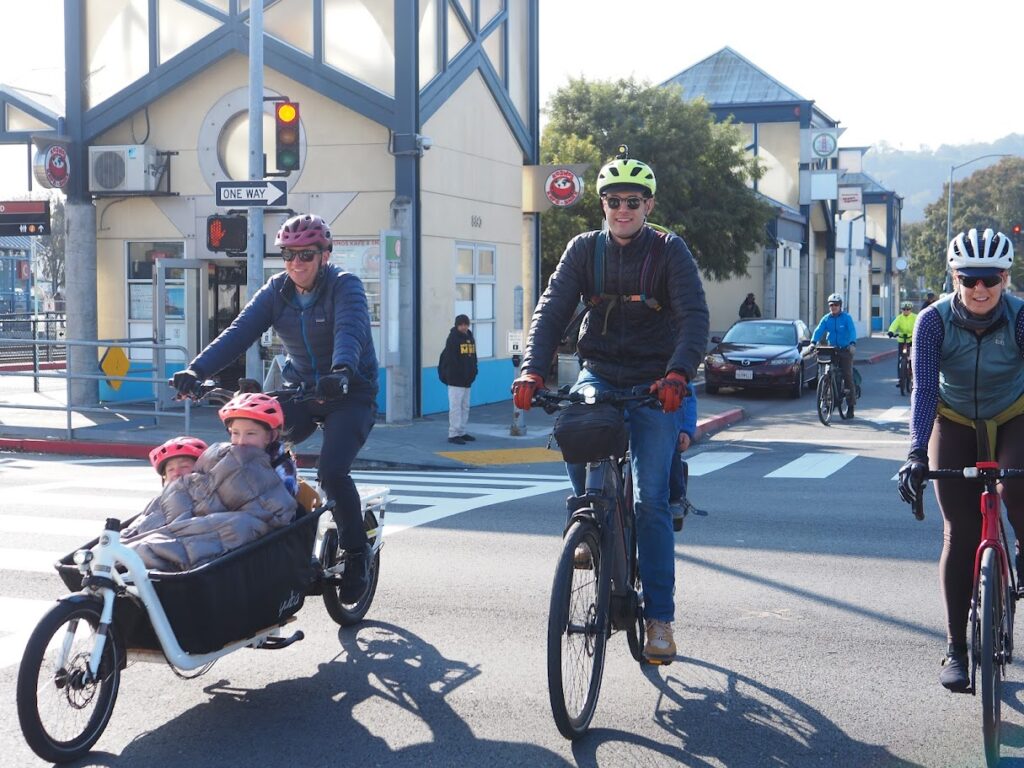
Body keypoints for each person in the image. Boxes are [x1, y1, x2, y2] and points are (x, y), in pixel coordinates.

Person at [511, 145, 710, 664]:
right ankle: (589, 521)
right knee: (575, 433)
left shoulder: (670, 251)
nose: (623, 209)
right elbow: (551, 309)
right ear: (601, 205)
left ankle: (660, 620)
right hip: (598, 370)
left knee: (648, 502)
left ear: (648, 206)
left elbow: (693, 320)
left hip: (654, 381)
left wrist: (678, 374)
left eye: (633, 201)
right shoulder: (583, 250)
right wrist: (533, 367)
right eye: (613, 200)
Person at [170, 213, 378, 602]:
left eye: (307, 255)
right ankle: (274, 538)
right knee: (254, 450)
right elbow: (239, 332)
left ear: (324, 254)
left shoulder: (344, 286)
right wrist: (195, 370)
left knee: (332, 472)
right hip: (303, 390)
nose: (297, 263)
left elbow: (350, 331)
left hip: (350, 391)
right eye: (289, 255)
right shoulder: (277, 290)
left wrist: (343, 370)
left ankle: (357, 553)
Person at [897, 227, 1024, 692]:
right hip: (953, 420)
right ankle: (956, 647)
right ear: (954, 276)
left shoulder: (1020, 317)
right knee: (960, 531)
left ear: (1005, 278)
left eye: (990, 278)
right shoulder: (932, 321)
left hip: (1014, 414)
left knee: (1018, 491)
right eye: (969, 278)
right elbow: (924, 390)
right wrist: (914, 453)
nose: (980, 289)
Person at [122, 392, 297, 571]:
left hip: (233, 521)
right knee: (158, 513)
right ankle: (128, 543)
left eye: (250, 433)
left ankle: (141, 552)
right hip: (196, 510)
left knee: (228, 528)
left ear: (270, 436)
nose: (241, 441)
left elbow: (271, 510)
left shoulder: (281, 468)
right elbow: (196, 483)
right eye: (235, 433)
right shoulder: (224, 452)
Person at [810, 293, 858, 417]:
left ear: (840, 306)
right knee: (828, 374)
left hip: (845, 350)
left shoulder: (846, 318)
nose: (833, 307)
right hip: (832, 349)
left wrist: (852, 344)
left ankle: (851, 406)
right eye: (831, 305)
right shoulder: (826, 318)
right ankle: (827, 403)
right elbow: (819, 329)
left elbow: (852, 330)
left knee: (847, 376)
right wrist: (813, 342)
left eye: (836, 305)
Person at [438, 314, 478, 445]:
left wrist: (474, 371)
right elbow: (451, 360)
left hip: (467, 380)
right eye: (461, 324)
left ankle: (461, 431)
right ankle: (453, 434)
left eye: (465, 324)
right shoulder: (452, 339)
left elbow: (473, 357)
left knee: (465, 406)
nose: (463, 327)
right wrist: (456, 374)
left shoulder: (470, 338)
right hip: (455, 380)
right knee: (455, 407)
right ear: (457, 325)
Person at [668, 388, 699, 530]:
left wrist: (686, 430)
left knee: (670, 443)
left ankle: (676, 499)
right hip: (620, 413)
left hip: (656, 413)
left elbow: (688, 396)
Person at [887, 300, 918, 384]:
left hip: (912, 340)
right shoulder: (899, 318)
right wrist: (891, 332)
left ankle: (914, 376)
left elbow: (919, 325)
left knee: (913, 358)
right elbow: (894, 325)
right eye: (904, 309)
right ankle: (900, 378)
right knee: (901, 359)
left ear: (911, 309)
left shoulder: (915, 317)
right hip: (902, 340)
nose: (906, 311)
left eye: (908, 309)